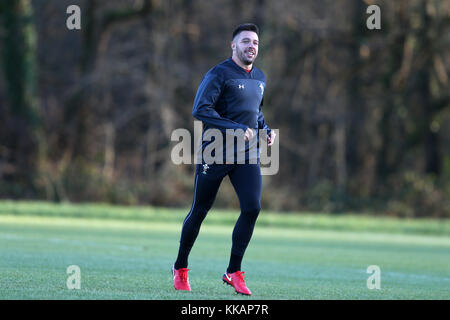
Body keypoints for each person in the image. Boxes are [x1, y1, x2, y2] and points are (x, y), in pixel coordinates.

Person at [172, 23, 276, 296]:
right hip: (215, 152)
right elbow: (200, 109)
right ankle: (180, 267)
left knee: (252, 208)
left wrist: (264, 130)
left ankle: (233, 271)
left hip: (246, 155)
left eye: (254, 42)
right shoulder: (219, 74)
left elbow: (255, 113)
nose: (251, 46)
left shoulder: (261, 77)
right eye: (245, 41)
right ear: (233, 46)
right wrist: (236, 129)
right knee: (200, 211)